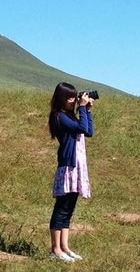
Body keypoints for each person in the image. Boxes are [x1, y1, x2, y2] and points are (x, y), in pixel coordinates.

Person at [47, 82, 94, 262]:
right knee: (60, 209)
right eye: (70, 97)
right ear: (61, 98)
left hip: (77, 167)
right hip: (68, 166)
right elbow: (82, 129)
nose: (73, 100)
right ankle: (55, 250)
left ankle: (65, 247)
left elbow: (88, 131)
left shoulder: (70, 116)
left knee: (68, 209)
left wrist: (87, 111)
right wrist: (81, 109)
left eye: (75, 97)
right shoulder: (58, 116)